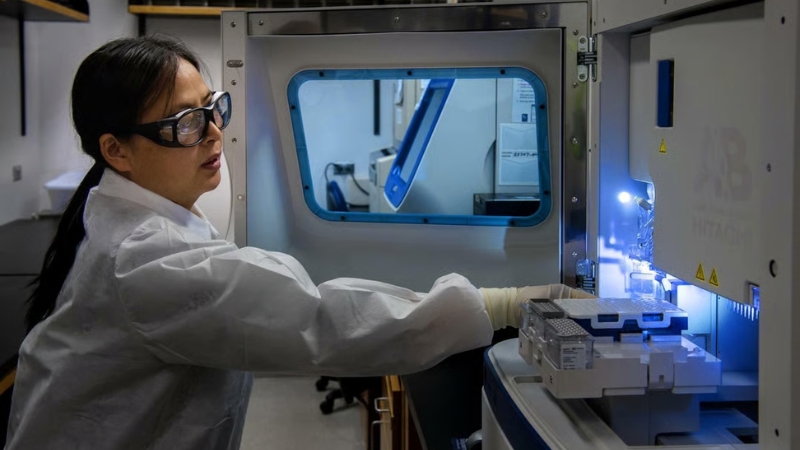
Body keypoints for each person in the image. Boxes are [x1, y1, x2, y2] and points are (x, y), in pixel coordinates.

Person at [4, 35, 591, 450]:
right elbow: (318, 322)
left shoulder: (139, 220)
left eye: (212, 108)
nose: (214, 133)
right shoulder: (143, 261)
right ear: (117, 150)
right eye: (185, 123)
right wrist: (506, 304)